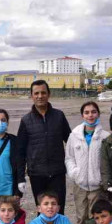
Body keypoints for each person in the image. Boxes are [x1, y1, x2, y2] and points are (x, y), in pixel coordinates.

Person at [17, 79, 72, 208]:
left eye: (43, 92)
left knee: (58, 209)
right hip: (37, 174)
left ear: (49, 94)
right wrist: (20, 177)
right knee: (42, 210)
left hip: (57, 173)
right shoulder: (26, 120)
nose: (40, 96)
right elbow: (20, 151)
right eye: (36, 93)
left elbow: (70, 142)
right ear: (31, 96)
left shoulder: (59, 116)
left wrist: (73, 167)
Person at [65, 101, 110, 224]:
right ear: (82, 116)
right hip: (80, 186)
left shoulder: (106, 137)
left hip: (97, 187)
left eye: (93, 112)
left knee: (97, 219)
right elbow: (69, 158)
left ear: (98, 114)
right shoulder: (74, 136)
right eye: (87, 112)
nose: (90, 115)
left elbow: (108, 162)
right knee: (81, 219)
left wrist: (102, 179)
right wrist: (74, 173)